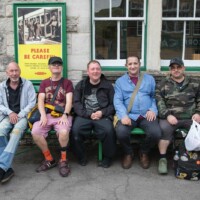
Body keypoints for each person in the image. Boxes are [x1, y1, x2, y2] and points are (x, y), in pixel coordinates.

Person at [114, 56, 161, 169]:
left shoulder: (150, 79)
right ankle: (128, 152)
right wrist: (123, 116)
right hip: (129, 115)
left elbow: (154, 97)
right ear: (126, 66)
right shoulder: (120, 82)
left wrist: (153, 110)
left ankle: (143, 152)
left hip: (146, 115)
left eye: (135, 63)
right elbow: (118, 101)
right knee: (120, 132)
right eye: (130, 64)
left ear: (139, 64)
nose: (133, 66)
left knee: (156, 133)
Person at [156, 57, 200, 174]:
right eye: (173, 68)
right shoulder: (163, 84)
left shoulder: (194, 83)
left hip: (190, 117)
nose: (176, 70)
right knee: (164, 129)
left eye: (178, 67)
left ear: (183, 68)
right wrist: (167, 115)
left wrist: (198, 113)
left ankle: (195, 159)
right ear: (170, 70)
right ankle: (162, 158)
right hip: (170, 117)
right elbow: (159, 102)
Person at [31, 56, 73, 177]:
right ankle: (49, 159)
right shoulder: (44, 82)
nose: (56, 66)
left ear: (62, 67)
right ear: (49, 67)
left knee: (64, 131)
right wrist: (43, 116)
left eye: (59, 64)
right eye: (53, 64)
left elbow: (69, 101)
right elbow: (40, 100)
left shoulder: (67, 83)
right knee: (36, 131)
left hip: (62, 115)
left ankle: (63, 160)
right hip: (47, 114)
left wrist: (65, 115)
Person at [72, 60, 116, 168]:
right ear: (88, 71)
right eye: (92, 69)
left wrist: (102, 112)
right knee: (75, 131)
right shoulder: (81, 85)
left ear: (100, 71)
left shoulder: (108, 86)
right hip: (85, 115)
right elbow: (76, 103)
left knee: (109, 131)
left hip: (102, 115)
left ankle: (107, 157)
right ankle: (81, 156)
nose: (95, 71)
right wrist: (87, 114)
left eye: (97, 69)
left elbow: (113, 104)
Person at [0, 62, 36, 183]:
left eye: (16, 70)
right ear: (7, 73)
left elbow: (32, 103)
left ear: (20, 71)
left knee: (15, 133)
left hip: (23, 116)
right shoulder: (2, 86)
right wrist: (10, 113)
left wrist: (19, 115)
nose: (14, 73)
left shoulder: (28, 84)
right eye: (12, 71)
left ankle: (2, 166)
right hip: (7, 116)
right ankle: (7, 167)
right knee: (0, 132)